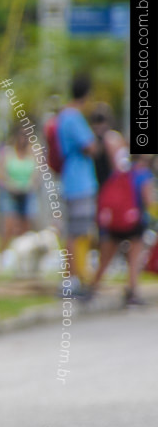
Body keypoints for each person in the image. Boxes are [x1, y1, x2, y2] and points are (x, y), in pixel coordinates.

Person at [89, 154, 153, 306]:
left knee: (105, 258)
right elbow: (148, 200)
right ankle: (132, 291)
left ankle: (92, 287)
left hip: (114, 221)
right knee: (134, 258)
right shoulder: (144, 174)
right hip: (134, 221)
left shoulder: (121, 172)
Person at [55, 74, 99, 296]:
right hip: (79, 181)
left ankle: (76, 276)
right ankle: (73, 279)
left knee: (76, 232)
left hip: (71, 179)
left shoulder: (64, 115)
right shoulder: (73, 117)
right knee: (77, 233)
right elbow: (89, 146)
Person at [0, 127, 39, 256]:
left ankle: (23, 259)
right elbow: (0, 173)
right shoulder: (7, 153)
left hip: (27, 193)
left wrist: (30, 185)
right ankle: (1, 256)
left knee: (26, 229)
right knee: (8, 226)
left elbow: (37, 175)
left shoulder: (33, 153)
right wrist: (10, 185)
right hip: (10, 192)